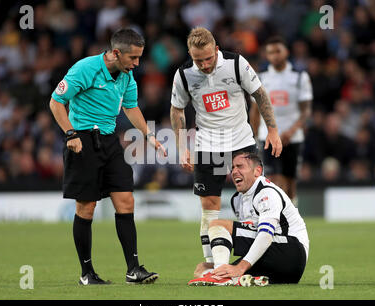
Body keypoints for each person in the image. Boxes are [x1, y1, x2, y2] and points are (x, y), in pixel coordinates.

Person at [49, 28, 166, 285]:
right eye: (133, 58)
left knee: (126, 201)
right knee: (86, 207)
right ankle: (86, 273)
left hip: (110, 140)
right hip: (82, 140)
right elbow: (56, 102)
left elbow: (131, 106)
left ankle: (133, 269)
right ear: (116, 53)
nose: (137, 63)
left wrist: (149, 135)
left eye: (139, 58)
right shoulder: (84, 69)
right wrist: (70, 134)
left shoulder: (126, 74)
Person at [170, 27, 282, 264]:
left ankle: (257, 259)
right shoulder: (184, 74)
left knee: (254, 202)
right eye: (198, 60)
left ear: (217, 50)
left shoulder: (236, 63)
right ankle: (213, 264)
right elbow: (177, 110)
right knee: (209, 206)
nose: (204, 64)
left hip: (242, 141)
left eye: (208, 58)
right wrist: (182, 147)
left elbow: (260, 94)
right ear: (191, 55)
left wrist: (272, 130)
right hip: (208, 145)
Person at [188, 151, 309, 286]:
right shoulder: (237, 200)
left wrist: (240, 267)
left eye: (240, 166)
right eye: (233, 167)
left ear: (257, 171)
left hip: (291, 253)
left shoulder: (267, 192)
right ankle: (242, 279)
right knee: (202, 269)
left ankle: (219, 276)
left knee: (218, 224)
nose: (234, 171)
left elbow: (265, 235)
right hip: (276, 263)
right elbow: (250, 234)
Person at [250, 36, 313, 203]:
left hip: (293, 137)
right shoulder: (260, 78)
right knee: (274, 179)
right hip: (268, 136)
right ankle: (279, 218)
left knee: (290, 181)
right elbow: (255, 111)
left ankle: (291, 220)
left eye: (278, 51)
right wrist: (254, 137)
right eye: (270, 52)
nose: (274, 55)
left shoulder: (300, 77)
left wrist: (290, 132)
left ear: (286, 52)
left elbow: (306, 111)